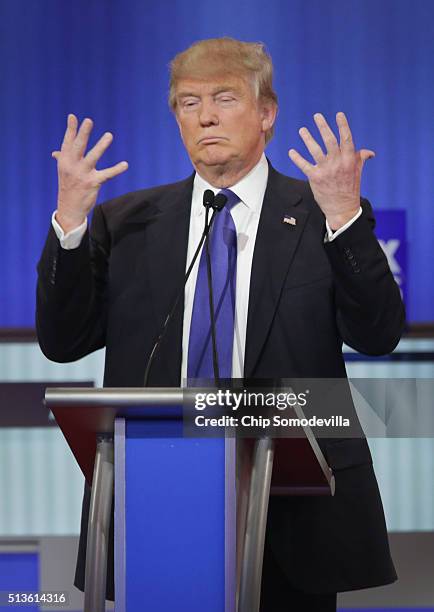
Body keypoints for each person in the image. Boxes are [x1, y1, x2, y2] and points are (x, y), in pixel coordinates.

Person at [36, 37, 405, 611]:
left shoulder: (321, 214)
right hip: (156, 502)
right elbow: (63, 343)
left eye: (224, 98)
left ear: (266, 114)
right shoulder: (125, 222)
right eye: (188, 103)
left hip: (291, 513)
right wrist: (70, 223)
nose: (205, 115)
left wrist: (345, 217)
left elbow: (378, 334)